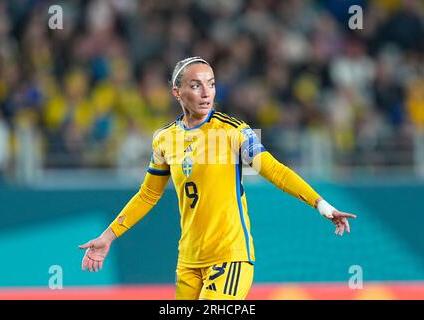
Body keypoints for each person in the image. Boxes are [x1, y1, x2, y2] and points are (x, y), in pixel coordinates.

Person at [79, 56, 356, 300]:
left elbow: (275, 170)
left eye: (210, 84)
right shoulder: (164, 139)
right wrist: (109, 236)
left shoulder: (233, 131)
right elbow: (148, 195)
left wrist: (322, 205)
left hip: (230, 256)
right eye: (196, 85)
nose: (205, 92)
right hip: (188, 260)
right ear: (177, 92)